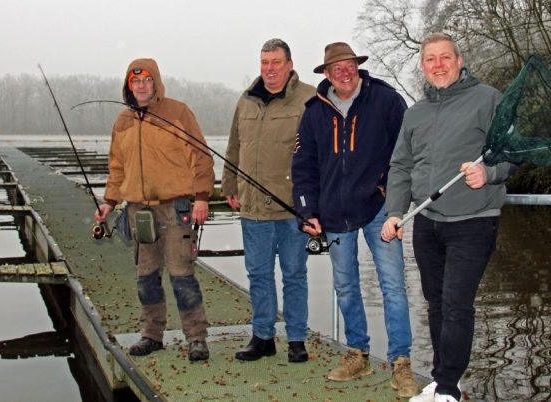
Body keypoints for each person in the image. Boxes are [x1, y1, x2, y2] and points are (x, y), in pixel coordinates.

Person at [381, 33, 518, 402]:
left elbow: (512, 150)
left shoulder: (488, 99)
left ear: (459, 61)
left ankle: (446, 389)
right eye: (430, 59)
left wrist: (488, 173)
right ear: (423, 66)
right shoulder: (416, 113)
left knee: (457, 303)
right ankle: (446, 382)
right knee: (437, 303)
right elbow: (401, 167)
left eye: (445, 58)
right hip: (427, 222)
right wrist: (395, 212)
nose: (438, 65)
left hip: (473, 220)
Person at [291, 42, 418, 397]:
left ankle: (401, 362)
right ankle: (357, 353)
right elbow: (303, 168)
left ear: (357, 67)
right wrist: (307, 210)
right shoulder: (314, 111)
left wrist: (396, 204)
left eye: (349, 65)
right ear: (326, 74)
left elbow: (405, 155)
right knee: (346, 287)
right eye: (336, 68)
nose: (343, 72)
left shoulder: (386, 100)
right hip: (333, 214)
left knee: (393, 285)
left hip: (380, 210)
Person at [95, 58, 215, 362]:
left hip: (175, 209)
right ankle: (151, 334)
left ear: (156, 83)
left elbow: (201, 157)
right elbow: (116, 168)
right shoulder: (123, 121)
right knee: (146, 276)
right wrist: (109, 203)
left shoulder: (178, 112)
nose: (141, 86)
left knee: (181, 275)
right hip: (138, 212)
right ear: (128, 85)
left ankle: (196, 338)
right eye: (135, 82)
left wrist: (202, 197)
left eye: (147, 80)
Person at [221, 38, 316, 363]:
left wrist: (315, 202)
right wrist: (228, 183)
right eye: (264, 62)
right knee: (258, 274)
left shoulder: (309, 98)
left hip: (293, 207)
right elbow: (234, 146)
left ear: (289, 65)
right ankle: (263, 336)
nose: (269, 69)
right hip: (252, 207)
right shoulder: (246, 100)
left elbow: (320, 153)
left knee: (294, 274)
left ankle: (297, 339)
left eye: (276, 62)